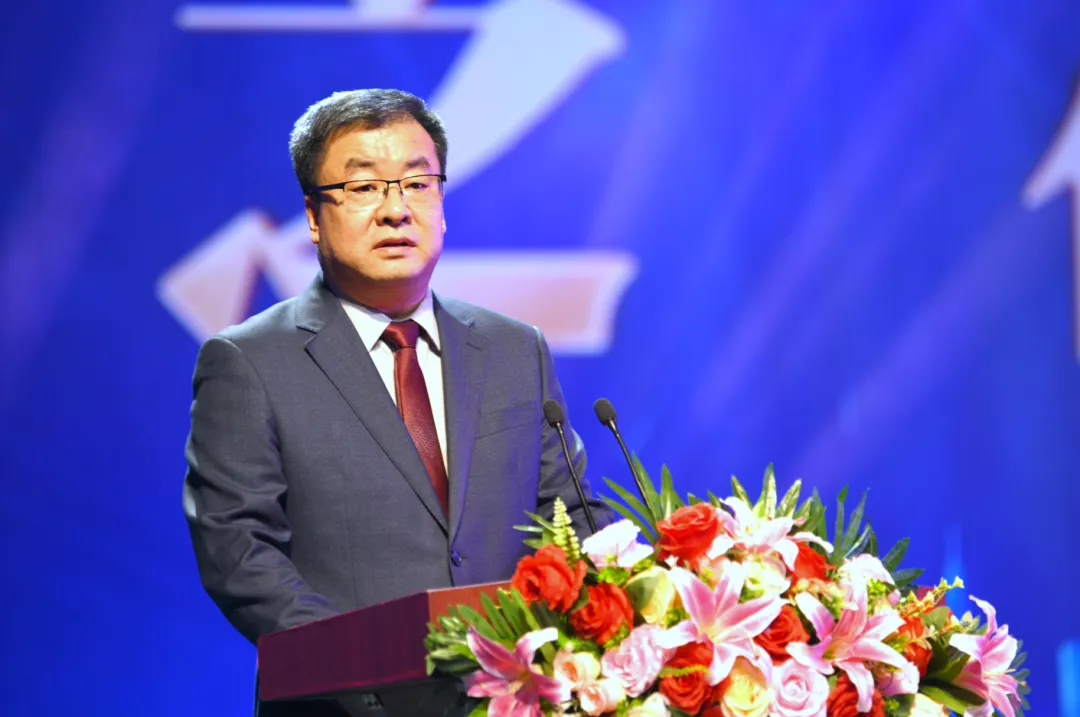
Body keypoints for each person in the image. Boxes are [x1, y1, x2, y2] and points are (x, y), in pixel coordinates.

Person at [182, 88, 610, 714]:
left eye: (416, 183)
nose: (395, 210)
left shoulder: (514, 347)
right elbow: (239, 551)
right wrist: (361, 675)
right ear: (313, 215)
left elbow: (567, 516)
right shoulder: (249, 361)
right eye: (363, 187)